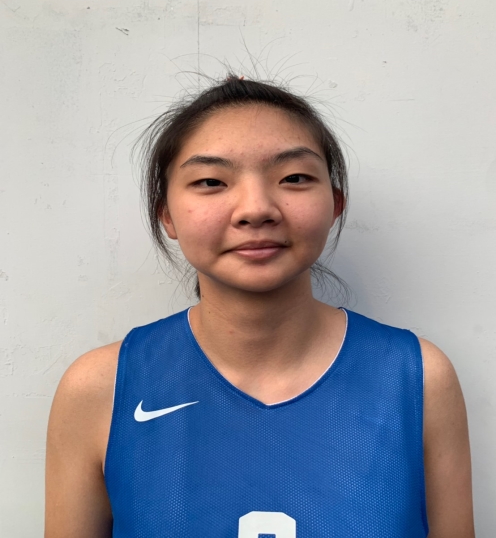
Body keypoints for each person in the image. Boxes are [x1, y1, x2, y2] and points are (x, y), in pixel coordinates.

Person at [45, 76, 474, 537]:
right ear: (165, 213)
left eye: (293, 178)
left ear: (335, 203)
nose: (255, 209)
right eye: (211, 181)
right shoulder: (100, 388)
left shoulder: (417, 377)